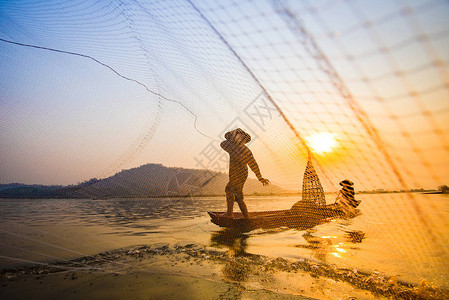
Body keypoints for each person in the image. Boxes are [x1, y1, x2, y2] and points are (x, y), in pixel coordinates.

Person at [220, 128, 269, 219]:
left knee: (229, 189)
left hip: (241, 173)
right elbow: (222, 144)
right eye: (236, 135)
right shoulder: (231, 147)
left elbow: (253, 164)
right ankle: (246, 218)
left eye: (240, 136)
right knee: (239, 198)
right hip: (233, 174)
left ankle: (229, 214)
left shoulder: (246, 150)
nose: (238, 137)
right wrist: (232, 140)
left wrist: (260, 177)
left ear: (244, 139)